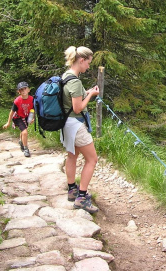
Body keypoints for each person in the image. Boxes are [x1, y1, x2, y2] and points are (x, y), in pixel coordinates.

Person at [61, 46, 100, 214]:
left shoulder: (66, 76)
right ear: (81, 60)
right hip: (76, 125)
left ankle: (72, 189)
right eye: (88, 63)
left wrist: (87, 92)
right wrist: (90, 95)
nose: (89, 67)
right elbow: (77, 108)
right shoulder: (75, 82)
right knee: (92, 160)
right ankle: (82, 197)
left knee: (72, 155)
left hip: (66, 124)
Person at [3, 81, 35, 157]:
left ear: (28, 90)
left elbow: (33, 110)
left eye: (25, 89)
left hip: (26, 117)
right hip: (18, 117)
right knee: (24, 132)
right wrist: (8, 122)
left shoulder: (32, 99)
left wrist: (32, 118)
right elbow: (12, 112)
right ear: (18, 92)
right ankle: (26, 148)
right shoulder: (17, 101)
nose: (23, 91)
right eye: (21, 90)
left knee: (23, 130)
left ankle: (21, 142)